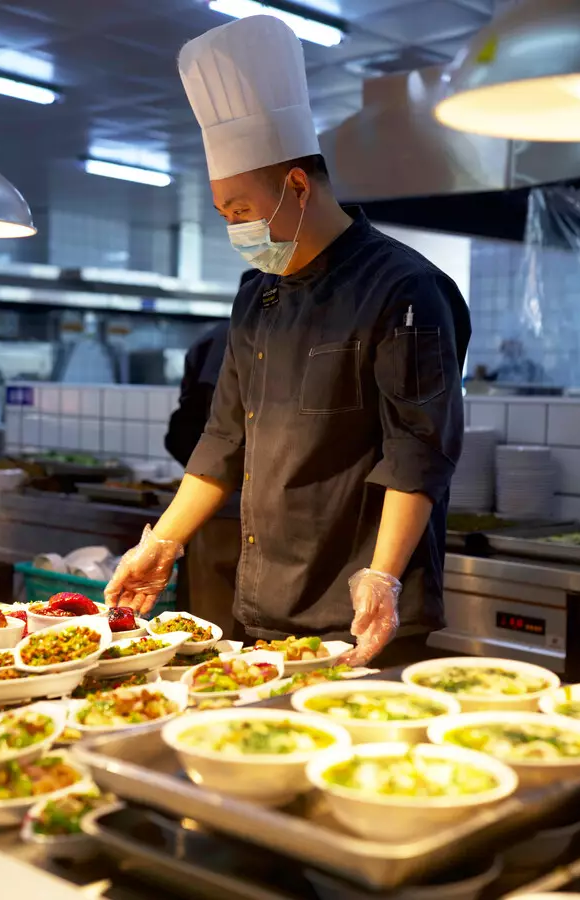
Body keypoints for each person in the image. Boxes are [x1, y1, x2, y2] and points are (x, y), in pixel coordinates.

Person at [105, 15, 471, 667]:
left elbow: (418, 452)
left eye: (242, 211)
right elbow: (223, 439)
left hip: (362, 612)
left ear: (298, 187)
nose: (234, 229)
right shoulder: (257, 294)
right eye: (224, 215)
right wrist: (162, 544)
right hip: (265, 605)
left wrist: (383, 578)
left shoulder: (406, 288)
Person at [164, 271, 257, 634]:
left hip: (214, 509)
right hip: (268, 513)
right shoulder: (295, 339)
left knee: (210, 627)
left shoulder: (210, 341)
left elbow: (183, 431)